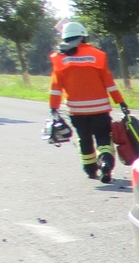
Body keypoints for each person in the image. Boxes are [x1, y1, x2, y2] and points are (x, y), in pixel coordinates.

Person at [48, 21, 126, 183]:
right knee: (103, 138)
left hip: (77, 112)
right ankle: (105, 162)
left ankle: (90, 169)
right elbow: (109, 83)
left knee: (84, 139)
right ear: (83, 36)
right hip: (100, 110)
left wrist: (53, 108)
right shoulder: (98, 55)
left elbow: (56, 87)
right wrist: (121, 102)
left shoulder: (60, 60)